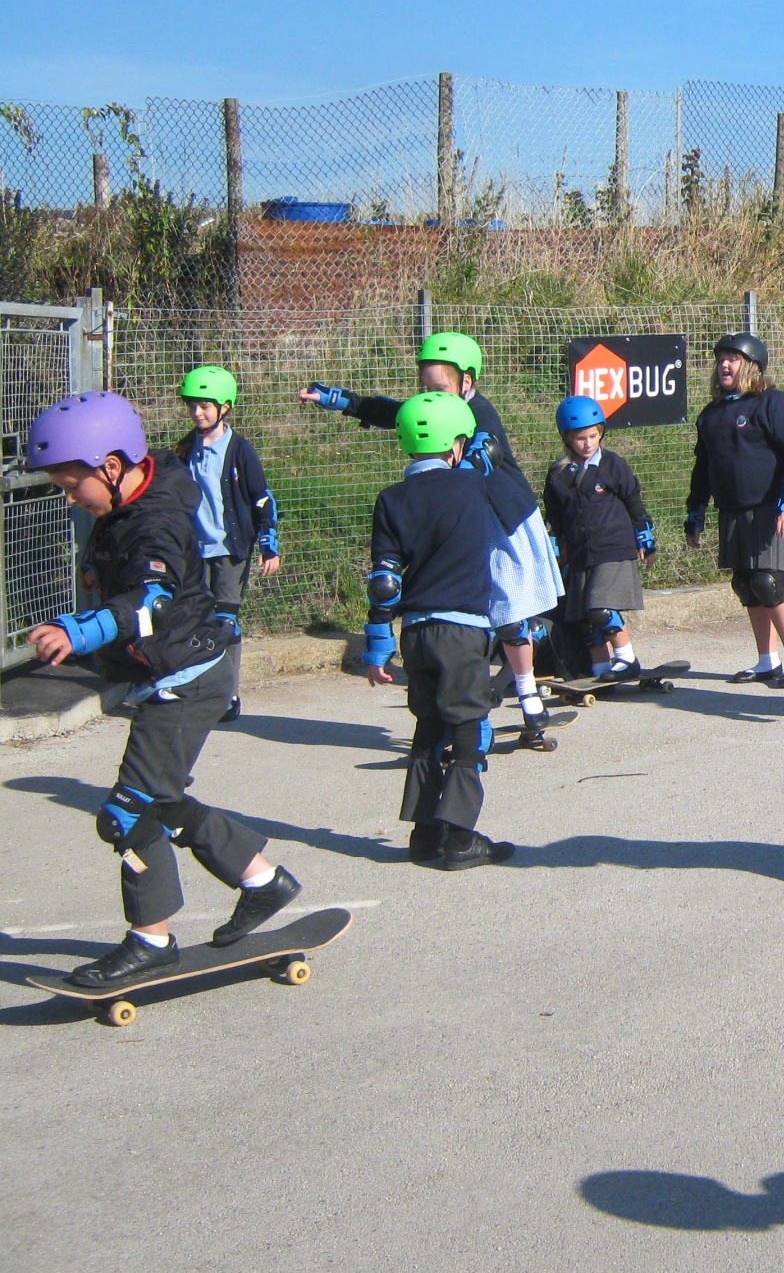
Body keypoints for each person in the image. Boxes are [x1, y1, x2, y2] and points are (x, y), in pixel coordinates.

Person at [25, 391, 301, 988]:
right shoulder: (145, 485)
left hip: (188, 676)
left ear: (112, 467)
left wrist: (81, 628)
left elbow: (152, 600)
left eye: (72, 486)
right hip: (180, 667)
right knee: (163, 796)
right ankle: (261, 880)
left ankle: (151, 939)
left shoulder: (155, 520)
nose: (69, 498)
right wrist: (99, 570)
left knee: (127, 814)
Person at [300, 331, 565, 749]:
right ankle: (475, 698)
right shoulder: (439, 409)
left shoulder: (481, 411)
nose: (433, 398)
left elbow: (483, 452)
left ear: (467, 381)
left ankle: (530, 701)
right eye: (427, 389)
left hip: (500, 521)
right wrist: (341, 400)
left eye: (440, 389)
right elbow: (396, 413)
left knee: (509, 614)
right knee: (474, 615)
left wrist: (438, 486)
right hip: (461, 519)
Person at [362, 391, 514, 870]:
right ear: (455, 446)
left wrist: (378, 643)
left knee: (429, 728)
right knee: (470, 730)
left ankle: (423, 836)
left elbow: (384, 582)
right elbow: (487, 455)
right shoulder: (471, 486)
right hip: (462, 629)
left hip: (416, 632)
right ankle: (459, 837)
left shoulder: (391, 499)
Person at [686, 331, 784, 688]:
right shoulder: (711, 415)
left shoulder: (773, 403)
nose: (724, 364)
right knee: (745, 584)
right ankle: (766, 662)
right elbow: (703, 469)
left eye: (733, 358)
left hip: (772, 508)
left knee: (768, 580)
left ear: (752, 366)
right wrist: (695, 514)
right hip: (733, 508)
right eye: (721, 358)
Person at [172, 364, 280, 724]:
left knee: (225, 621)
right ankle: (190, 685)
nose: (197, 412)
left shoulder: (240, 450)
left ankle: (226, 694)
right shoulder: (185, 448)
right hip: (193, 548)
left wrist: (269, 544)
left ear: (225, 407)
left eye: (205, 405)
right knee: (188, 618)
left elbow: (261, 499)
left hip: (229, 549)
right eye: (192, 405)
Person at [545, 395, 655, 681]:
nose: (588, 443)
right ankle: (600, 670)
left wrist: (645, 537)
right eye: (581, 438)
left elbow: (634, 502)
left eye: (594, 435)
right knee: (584, 616)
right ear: (567, 438)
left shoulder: (612, 465)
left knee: (599, 609)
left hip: (614, 548)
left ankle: (627, 659)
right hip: (580, 553)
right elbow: (555, 517)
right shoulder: (558, 474)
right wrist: (557, 550)